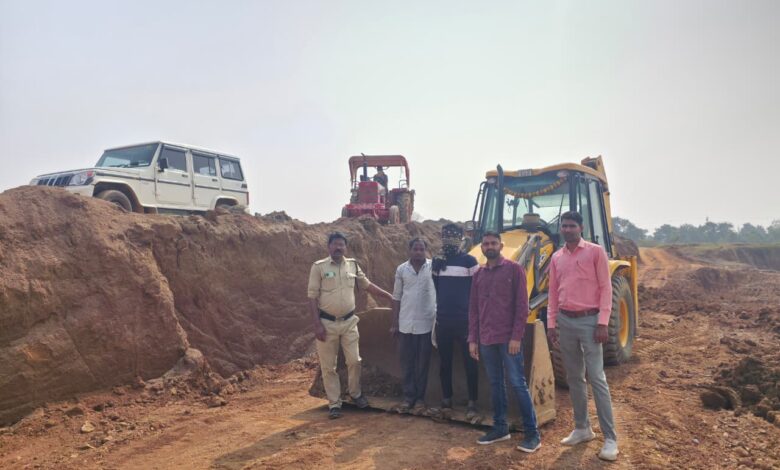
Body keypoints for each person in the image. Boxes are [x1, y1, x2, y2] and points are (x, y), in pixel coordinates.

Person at [546, 211, 619, 461]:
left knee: (596, 377)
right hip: (565, 321)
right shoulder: (557, 257)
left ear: (581, 227)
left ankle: (610, 438)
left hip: (590, 321)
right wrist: (551, 323)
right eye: (564, 226)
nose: (567, 229)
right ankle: (582, 428)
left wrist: (603, 322)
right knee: (574, 377)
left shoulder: (595, 252)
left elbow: (606, 288)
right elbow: (553, 293)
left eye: (571, 226)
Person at [308, 232, 394, 419]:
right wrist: (317, 325)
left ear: (345, 248)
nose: (338, 248)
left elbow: (367, 285)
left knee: (354, 361)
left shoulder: (353, 265)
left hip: (349, 322)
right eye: (335, 244)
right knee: (328, 367)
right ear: (329, 247)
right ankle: (334, 403)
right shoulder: (319, 267)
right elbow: (312, 297)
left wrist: (388, 296)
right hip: (327, 324)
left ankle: (355, 394)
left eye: (341, 245)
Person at [468, 231, 541, 453]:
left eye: (493, 243)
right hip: (487, 339)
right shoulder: (478, 275)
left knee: (517, 383)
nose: (489, 246)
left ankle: (532, 435)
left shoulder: (514, 270)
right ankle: (500, 428)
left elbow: (522, 306)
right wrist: (473, 339)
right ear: (482, 247)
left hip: (508, 339)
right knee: (495, 383)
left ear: (501, 246)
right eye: (486, 244)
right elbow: (474, 310)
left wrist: (516, 337)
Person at [432, 223, 480, 414]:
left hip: (465, 322)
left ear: (461, 239)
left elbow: (477, 289)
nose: (449, 240)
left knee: (470, 362)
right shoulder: (438, 262)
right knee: (445, 362)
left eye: (453, 236)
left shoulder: (470, 261)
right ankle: (447, 398)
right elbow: (437, 288)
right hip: (443, 321)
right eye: (446, 236)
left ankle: (472, 401)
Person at [390, 238, 436, 412]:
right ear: (409, 250)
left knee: (423, 364)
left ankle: (420, 399)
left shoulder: (433, 267)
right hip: (405, 324)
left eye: (421, 249)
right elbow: (396, 296)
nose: (418, 252)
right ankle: (408, 397)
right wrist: (395, 323)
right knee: (407, 362)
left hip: (426, 324)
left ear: (426, 250)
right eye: (415, 249)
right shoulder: (402, 269)